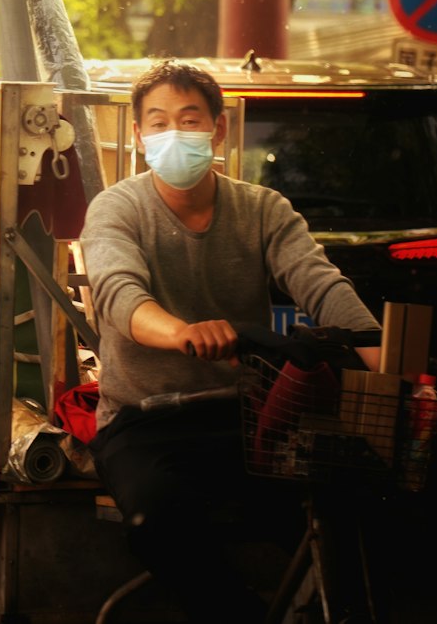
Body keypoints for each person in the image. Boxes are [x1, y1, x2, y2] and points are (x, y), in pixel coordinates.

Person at [80, 59, 382, 624]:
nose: (175, 133)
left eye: (190, 119)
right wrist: (183, 333)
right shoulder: (118, 208)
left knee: (350, 505)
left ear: (217, 129)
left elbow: (322, 285)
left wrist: (390, 366)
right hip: (143, 424)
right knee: (159, 522)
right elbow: (121, 298)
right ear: (140, 134)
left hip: (247, 419)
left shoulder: (263, 210)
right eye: (159, 122)